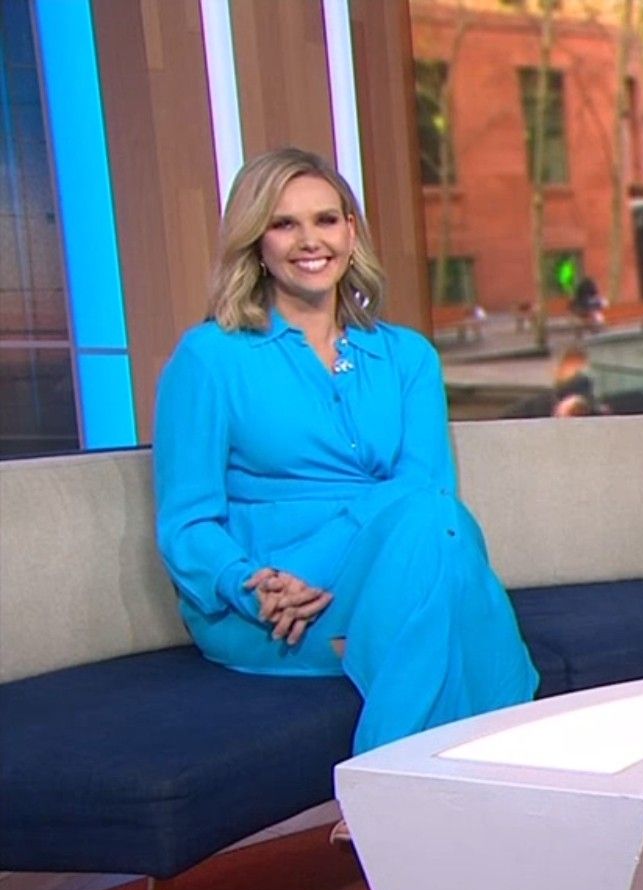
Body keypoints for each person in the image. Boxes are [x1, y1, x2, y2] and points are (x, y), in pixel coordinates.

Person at [152, 147, 537, 773]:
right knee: (448, 585)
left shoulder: (408, 357)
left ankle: (387, 789)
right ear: (257, 243)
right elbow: (186, 522)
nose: (310, 241)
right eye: (284, 224)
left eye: (326, 220)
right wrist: (256, 587)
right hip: (271, 606)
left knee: (433, 520)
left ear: (350, 233)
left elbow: (426, 486)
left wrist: (317, 562)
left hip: (378, 569)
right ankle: (458, 785)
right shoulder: (210, 358)